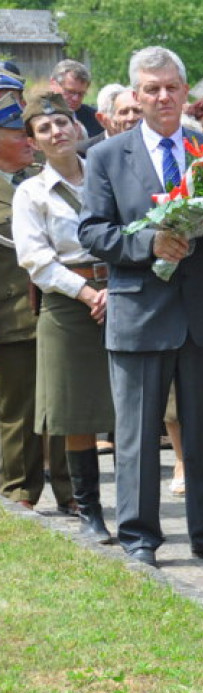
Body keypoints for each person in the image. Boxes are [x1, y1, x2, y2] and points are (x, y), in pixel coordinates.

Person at [78, 46, 203, 568]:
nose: (163, 96)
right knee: (136, 436)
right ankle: (139, 536)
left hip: (200, 315)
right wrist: (146, 244)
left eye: (171, 86)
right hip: (139, 312)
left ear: (185, 89)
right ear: (135, 95)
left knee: (201, 435)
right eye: (151, 89)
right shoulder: (107, 155)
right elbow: (92, 231)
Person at [12, 91, 115, 544]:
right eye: (44, 128)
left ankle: (132, 511)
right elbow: (37, 261)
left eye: (63, 123)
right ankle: (88, 511)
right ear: (33, 142)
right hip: (66, 305)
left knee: (128, 408)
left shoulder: (106, 175)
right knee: (76, 415)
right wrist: (89, 291)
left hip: (121, 294)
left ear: (78, 128)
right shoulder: (31, 193)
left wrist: (113, 289)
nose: (57, 132)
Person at [0, 91, 73, 515]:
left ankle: (71, 490)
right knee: (18, 413)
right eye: (17, 133)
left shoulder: (44, 181)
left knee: (62, 404)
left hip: (57, 307)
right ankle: (18, 492)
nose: (30, 141)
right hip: (10, 314)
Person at [49, 60, 102, 138]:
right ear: (53, 84)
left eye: (81, 94)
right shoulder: (36, 117)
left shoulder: (95, 119)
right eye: (70, 91)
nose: (75, 98)